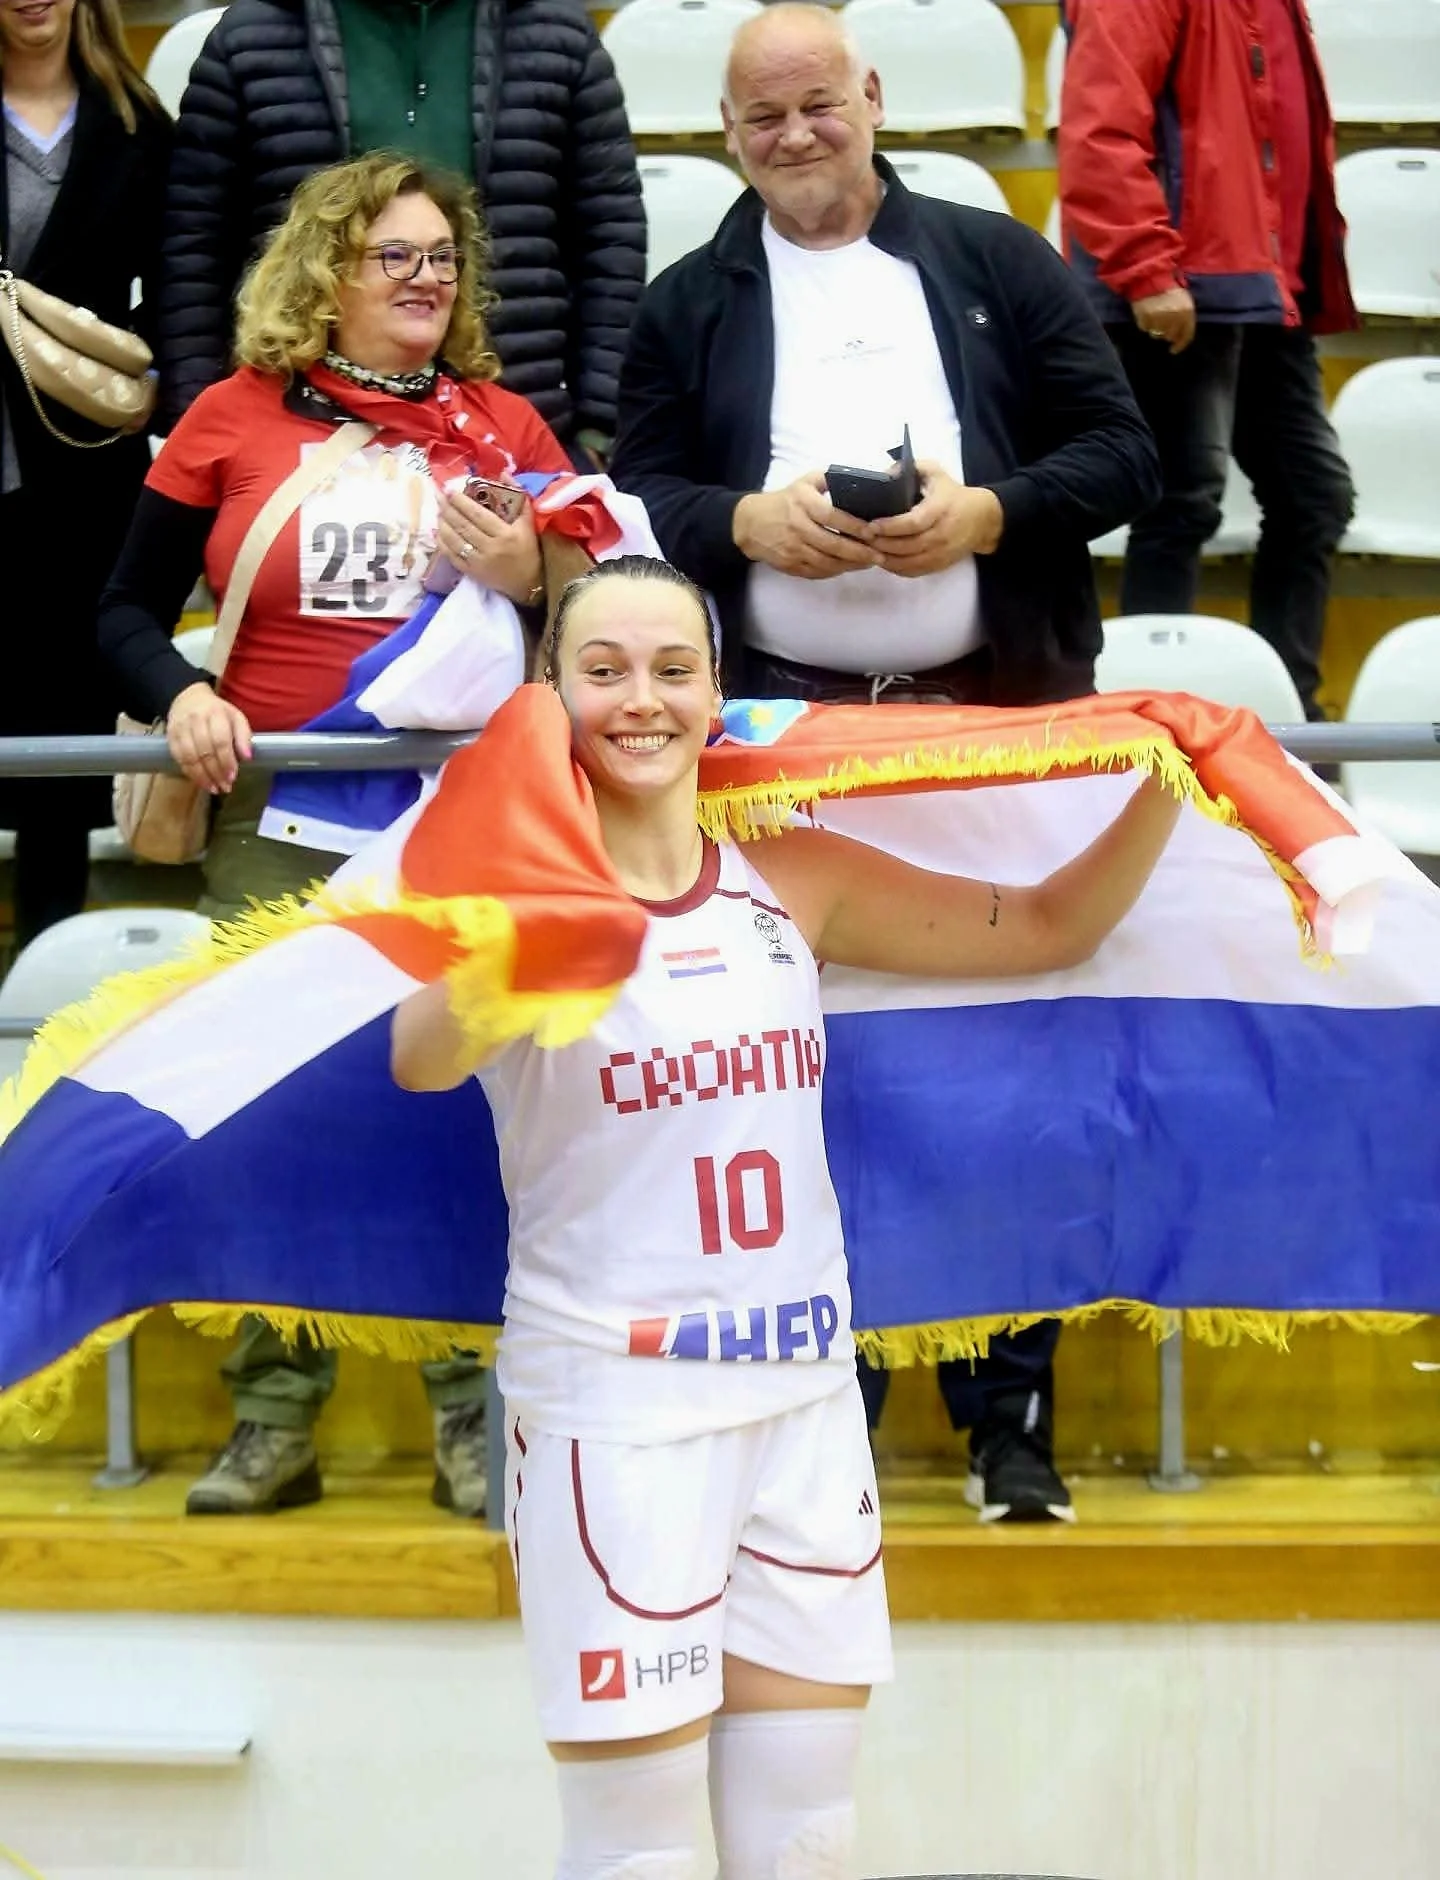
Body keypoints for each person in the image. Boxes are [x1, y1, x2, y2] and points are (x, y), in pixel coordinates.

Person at [390, 554, 1182, 1879]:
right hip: (619, 1412)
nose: (640, 699)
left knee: (807, 1839)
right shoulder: (509, 894)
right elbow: (418, 1056)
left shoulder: (790, 875)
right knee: (639, 1856)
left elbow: (1050, 923)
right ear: (550, 691)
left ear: (717, 694)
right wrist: (534, 930)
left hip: (803, 1401)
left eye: (672, 669)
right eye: (602, 670)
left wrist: (1176, 773)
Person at [608, 1, 1161, 1521]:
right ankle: (824, 1404)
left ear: (869, 95)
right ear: (726, 133)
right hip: (778, 742)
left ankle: (1008, 1413)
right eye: (761, 116)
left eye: (816, 104)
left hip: (991, 724)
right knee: (805, 1073)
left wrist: (988, 514)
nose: (793, 135)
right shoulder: (688, 298)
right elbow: (640, 488)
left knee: (1013, 1066)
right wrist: (741, 522)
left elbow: (1126, 454)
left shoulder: (996, 261)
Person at [98, 151, 578, 1519]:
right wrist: (182, 693)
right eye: (395, 256)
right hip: (280, 814)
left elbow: (612, 603)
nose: (427, 279)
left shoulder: (506, 425)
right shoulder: (229, 420)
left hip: (463, 815)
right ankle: (272, 1418)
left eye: (443, 258)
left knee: (461, 1109)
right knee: (273, 1107)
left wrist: (530, 571)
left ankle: (473, 1418)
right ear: (326, 272)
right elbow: (120, 612)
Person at [155, 0, 645, 465]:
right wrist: (199, 430)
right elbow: (194, 251)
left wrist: (600, 425)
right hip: (293, 440)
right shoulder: (250, 38)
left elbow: (610, 240)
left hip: (518, 427)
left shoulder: (558, 35)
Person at [1057, 0, 1357, 719]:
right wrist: (1146, 268)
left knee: (1312, 498)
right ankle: (1155, 727)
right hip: (1183, 281)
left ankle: (1287, 724)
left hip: (1261, 283)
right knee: (1180, 506)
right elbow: (1101, 124)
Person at [0, 0, 169, 956]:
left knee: (58, 739)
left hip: (79, 467)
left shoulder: (137, 123)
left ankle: (43, 984)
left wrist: (132, 380)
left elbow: (175, 285)